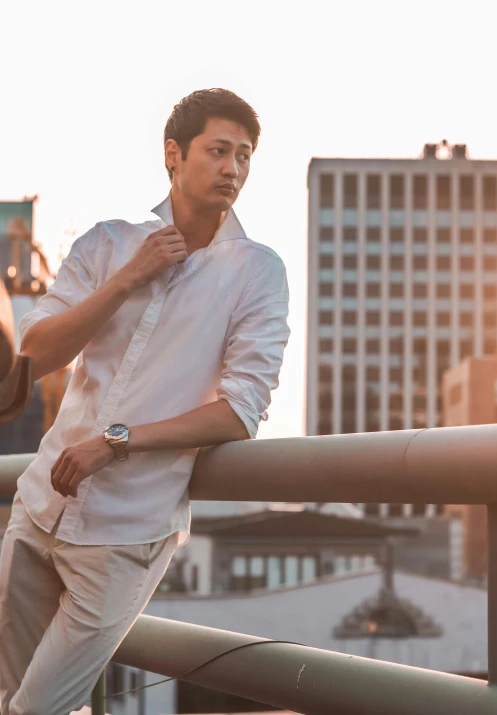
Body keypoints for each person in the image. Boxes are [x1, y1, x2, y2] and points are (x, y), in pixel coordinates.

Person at [0, 88, 290, 715]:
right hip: (37, 507)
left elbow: (241, 410)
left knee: (35, 709)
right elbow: (36, 353)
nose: (233, 169)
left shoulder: (256, 272)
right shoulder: (108, 243)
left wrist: (117, 441)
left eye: (244, 156)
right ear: (173, 155)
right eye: (218, 151)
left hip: (125, 534)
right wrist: (129, 277)